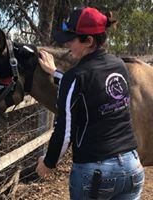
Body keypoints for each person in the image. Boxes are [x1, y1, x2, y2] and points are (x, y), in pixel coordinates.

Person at [36, 7, 144, 200]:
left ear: (89, 41)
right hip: (132, 167)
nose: (67, 44)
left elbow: (65, 132)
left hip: (96, 173)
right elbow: (94, 86)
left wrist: (49, 163)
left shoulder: (75, 77)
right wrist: (55, 73)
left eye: (71, 39)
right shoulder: (118, 65)